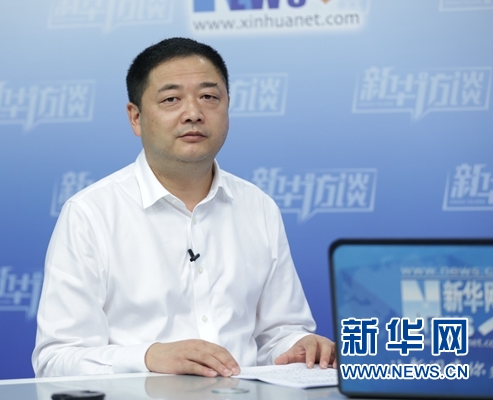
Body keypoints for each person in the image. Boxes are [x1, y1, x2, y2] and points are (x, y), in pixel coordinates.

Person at [32, 37, 336, 378]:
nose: (193, 113)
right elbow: (56, 360)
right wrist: (148, 358)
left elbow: (278, 334)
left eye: (208, 97)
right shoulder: (91, 214)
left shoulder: (258, 206)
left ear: (228, 107)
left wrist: (298, 346)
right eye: (171, 99)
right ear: (136, 117)